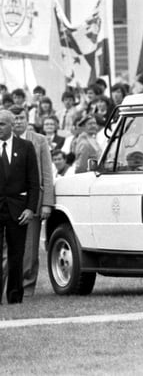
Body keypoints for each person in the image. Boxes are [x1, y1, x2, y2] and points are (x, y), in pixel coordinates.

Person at [7, 106, 53, 297]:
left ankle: (27, 287)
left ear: (28, 119)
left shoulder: (39, 140)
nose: (18, 122)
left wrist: (47, 203)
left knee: (30, 249)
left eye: (21, 118)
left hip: (33, 201)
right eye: (15, 118)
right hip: (9, 201)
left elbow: (47, 174)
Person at [0, 109, 40, 304]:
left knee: (17, 255)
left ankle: (15, 296)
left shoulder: (26, 147)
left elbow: (34, 181)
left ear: (11, 125)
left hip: (18, 210)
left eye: (1, 124)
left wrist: (30, 209)